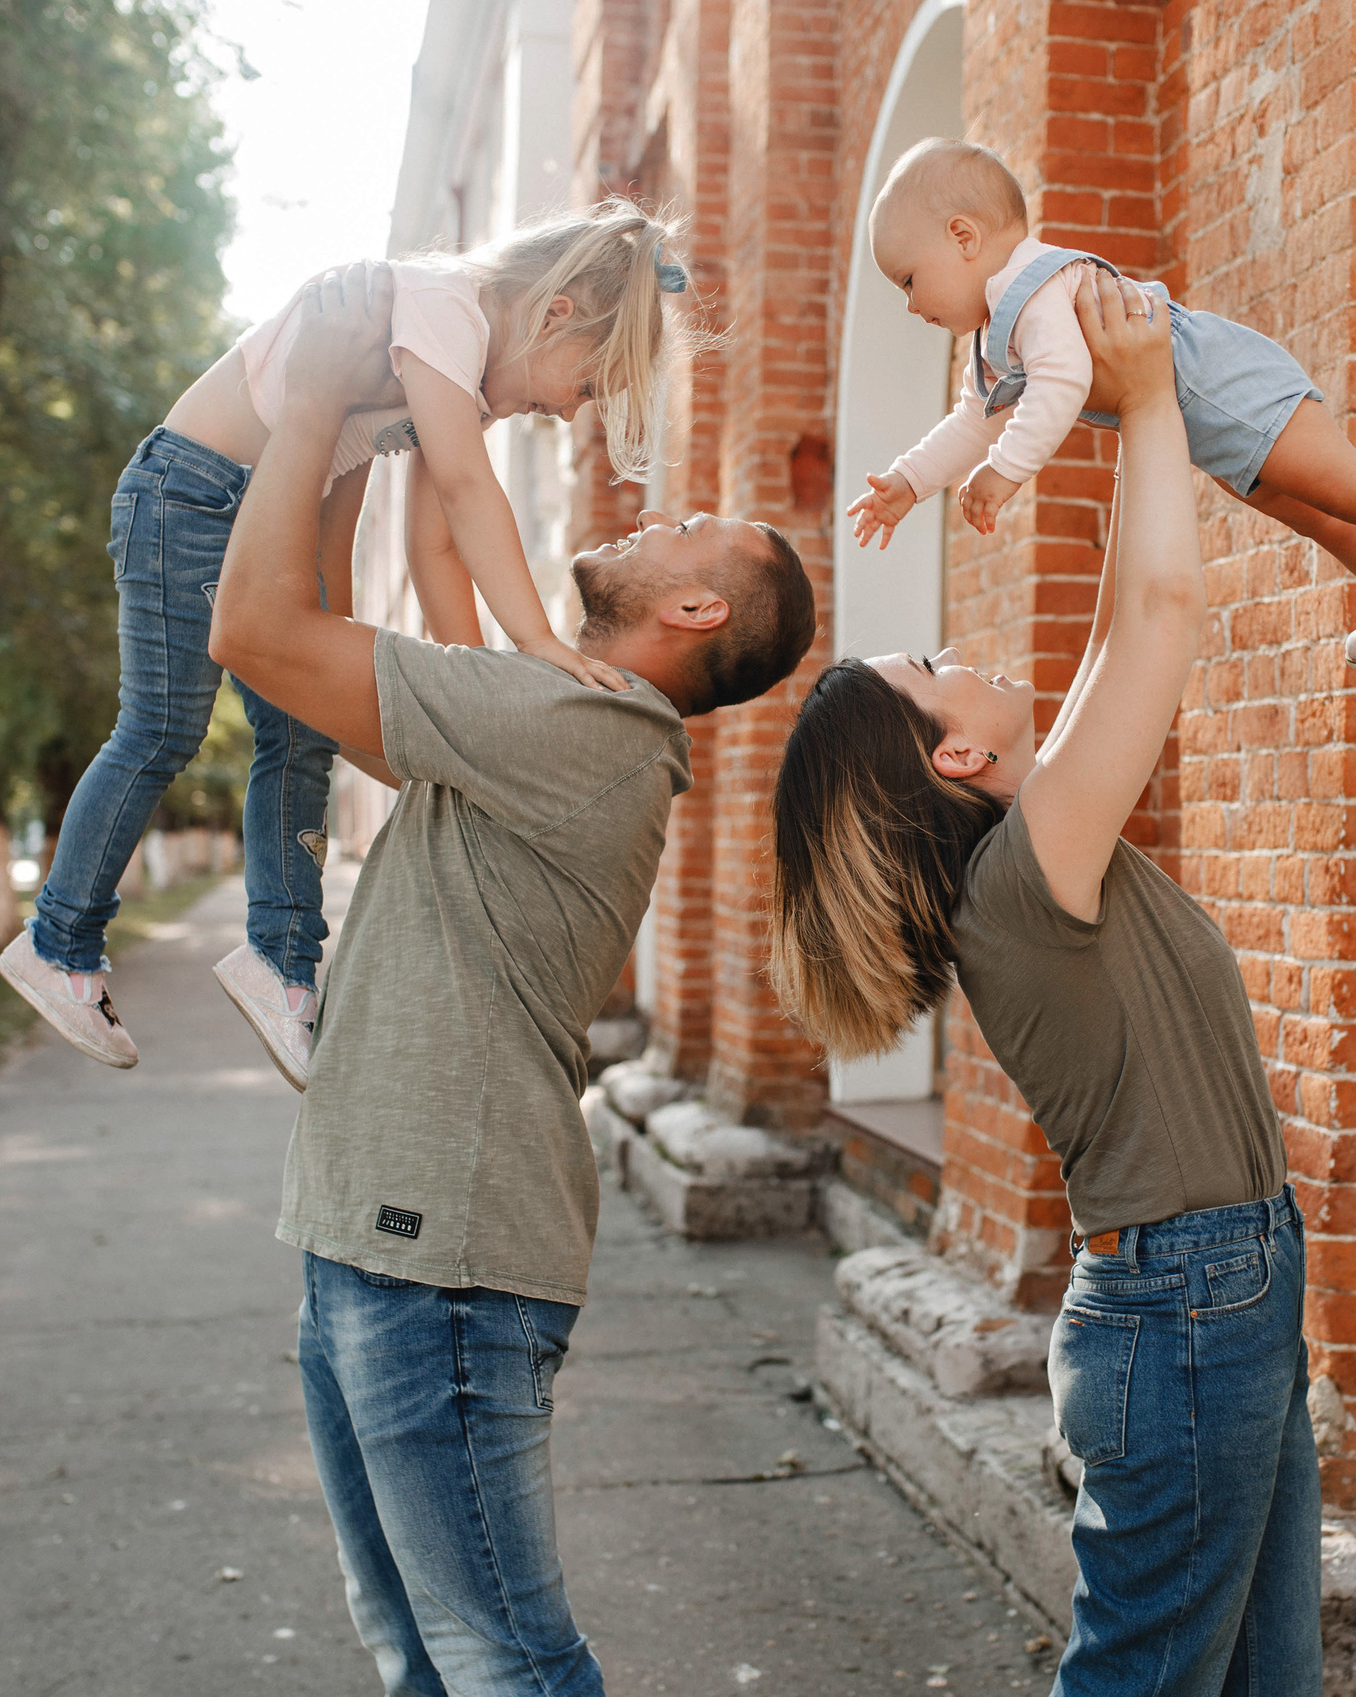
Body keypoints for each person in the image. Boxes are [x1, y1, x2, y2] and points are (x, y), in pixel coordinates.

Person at [209, 261, 813, 1696]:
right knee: (423, 1650)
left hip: (442, 1260)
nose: (649, 517)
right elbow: (364, 636)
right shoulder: (536, 713)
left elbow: (252, 634)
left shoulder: (584, 728)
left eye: (685, 533)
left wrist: (306, 403)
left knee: (507, 1663)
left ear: (694, 620)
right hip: (375, 1234)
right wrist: (377, 433)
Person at [772, 270, 1319, 1695]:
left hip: (1216, 1285)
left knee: (1266, 1677)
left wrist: (1080, 400)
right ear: (952, 757)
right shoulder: (1024, 885)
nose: (967, 656)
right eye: (938, 666)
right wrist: (1145, 404)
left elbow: (1106, 637)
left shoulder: (1025, 850)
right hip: (1193, 1300)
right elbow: (1156, 615)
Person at [0, 201, 692, 1091]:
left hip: (253, 505)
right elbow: (470, 492)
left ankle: (281, 961)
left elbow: (430, 541)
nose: (568, 411)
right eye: (588, 384)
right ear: (554, 314)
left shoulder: (459, 370)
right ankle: (58, 941)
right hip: (191, 494)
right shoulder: (447, 309)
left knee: (301, 732)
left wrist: (482, 699)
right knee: (164, 726)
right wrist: (537, 639)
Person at [845, 137, 1356, 673]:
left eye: (909, 279)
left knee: (1351, 485)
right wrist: (909, 482)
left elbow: (1059, 386)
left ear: (963, 238)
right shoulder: (998, 335)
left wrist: (1005, 469)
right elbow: (974, 417)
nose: (910, 305)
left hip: (1231, 383)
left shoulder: (1034, 289)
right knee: (1304, 507)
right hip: (1209, 422)